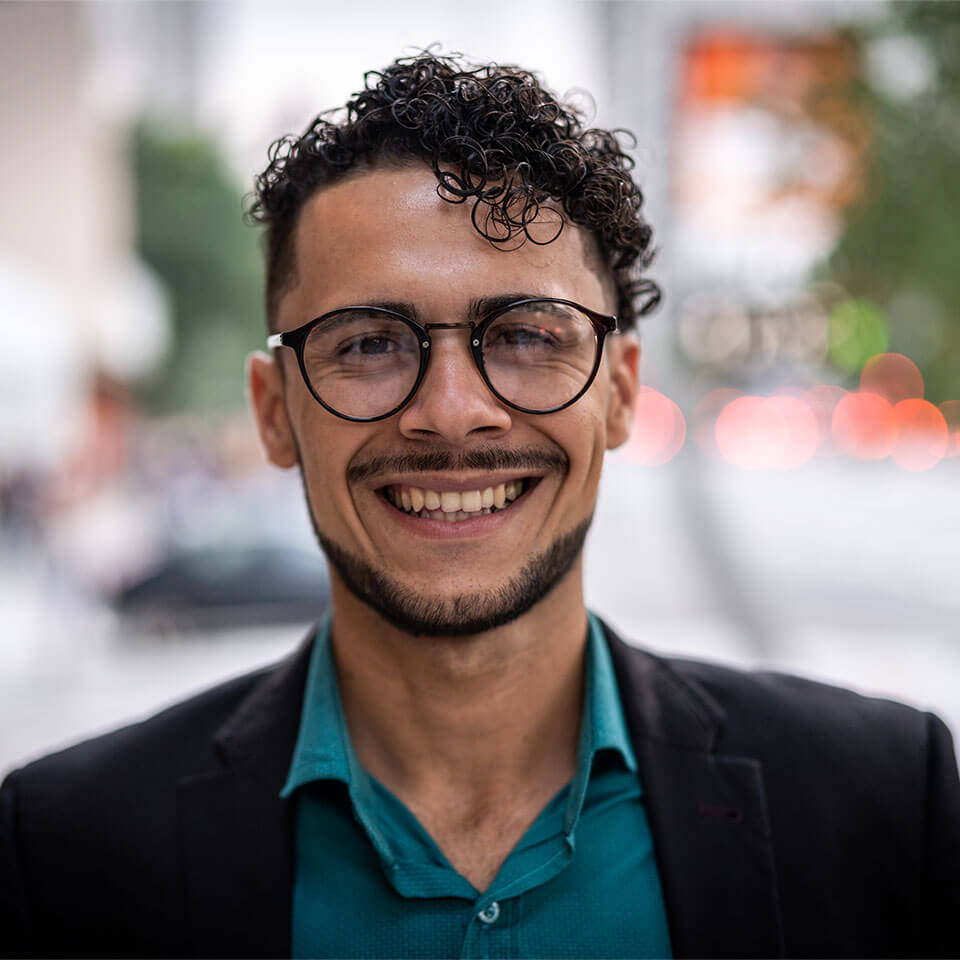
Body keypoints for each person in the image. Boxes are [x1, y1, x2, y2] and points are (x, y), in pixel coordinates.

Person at [2, 51, 958, 960]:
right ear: (273, 411)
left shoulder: (880, 802)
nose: (453, 413)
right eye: (369, 343)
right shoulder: (67, 849)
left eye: (528, 336)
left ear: (620, 392)